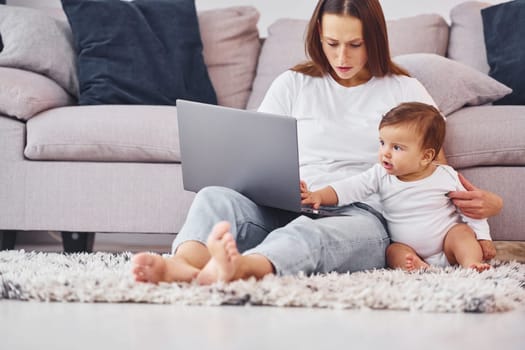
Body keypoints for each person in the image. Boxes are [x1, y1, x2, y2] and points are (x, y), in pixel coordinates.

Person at [132, 0, 501, 284]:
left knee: (308, 233)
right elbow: (253, 151)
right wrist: (276, 185)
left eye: (355, 44)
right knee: (214, 197)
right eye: (332, 43)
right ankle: (183, 266)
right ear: (318, 38)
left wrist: (480, 206)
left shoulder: (404, 90)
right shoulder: (293, 83)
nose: (342, 57)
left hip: (361, 216)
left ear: (373, 39)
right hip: (285, 203)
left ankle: (242, 268)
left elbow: (434, 170)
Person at [301, 102, 492, 272]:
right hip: (407, 247)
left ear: (425, 157)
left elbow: (471, 210)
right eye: (382, 143)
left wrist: (483, 238)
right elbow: (349, 188)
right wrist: (318, 195)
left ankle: (470, 263)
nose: (385, 153)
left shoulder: (446, 176)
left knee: (461, 233)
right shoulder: (380, 174)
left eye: (397, 148)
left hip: (447, 245)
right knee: (392, 251)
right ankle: (417, 266)